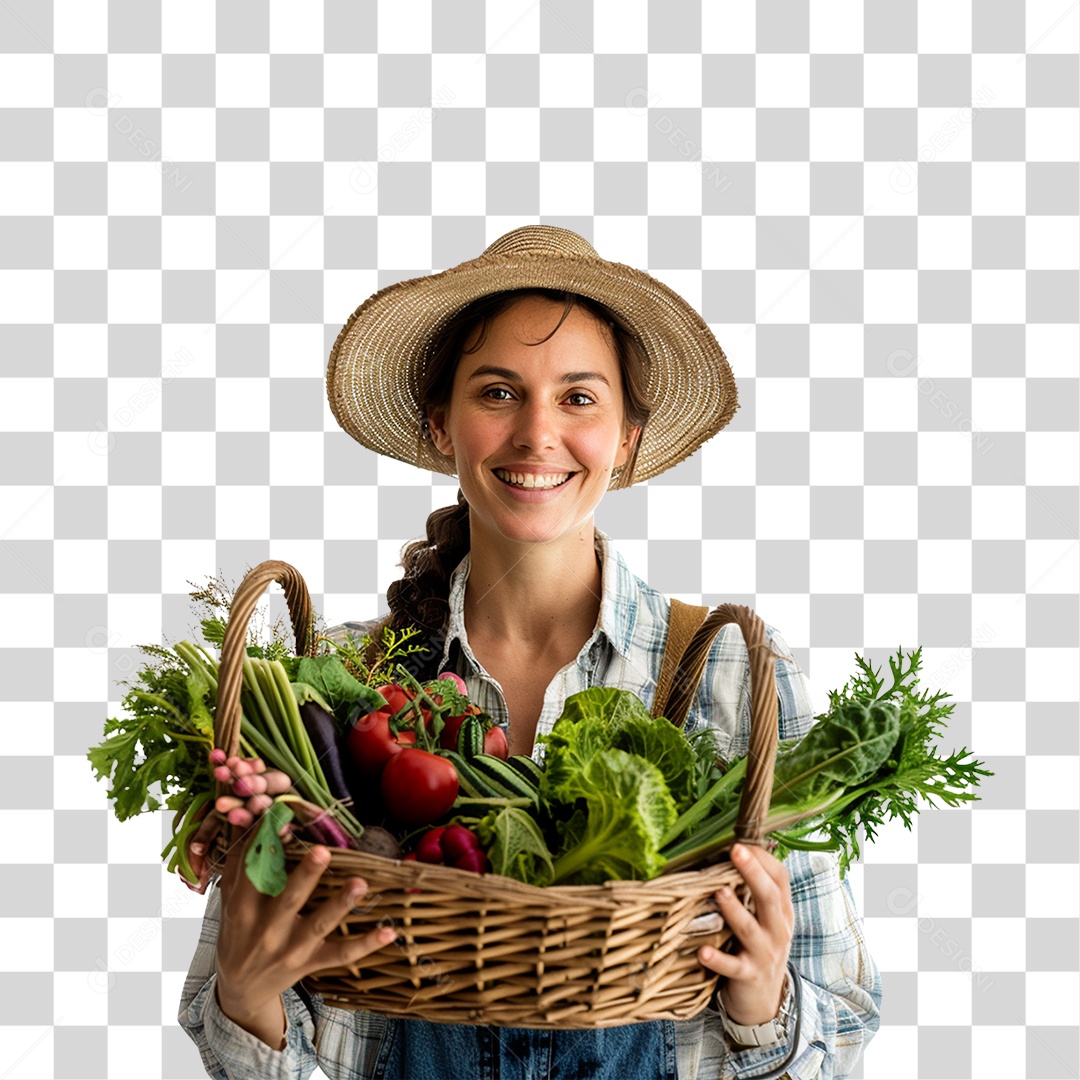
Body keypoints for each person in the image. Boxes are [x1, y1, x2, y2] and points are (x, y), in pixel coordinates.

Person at [179, 226, 882, 1079]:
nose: (538, 433)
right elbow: (237, 1011)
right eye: (499, 393)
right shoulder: (340, 688)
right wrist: (247, 1003)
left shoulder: (729, 678)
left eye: (580, 398)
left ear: (626, 439)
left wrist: (764, 1002)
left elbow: (841, 1019)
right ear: (441, 425)